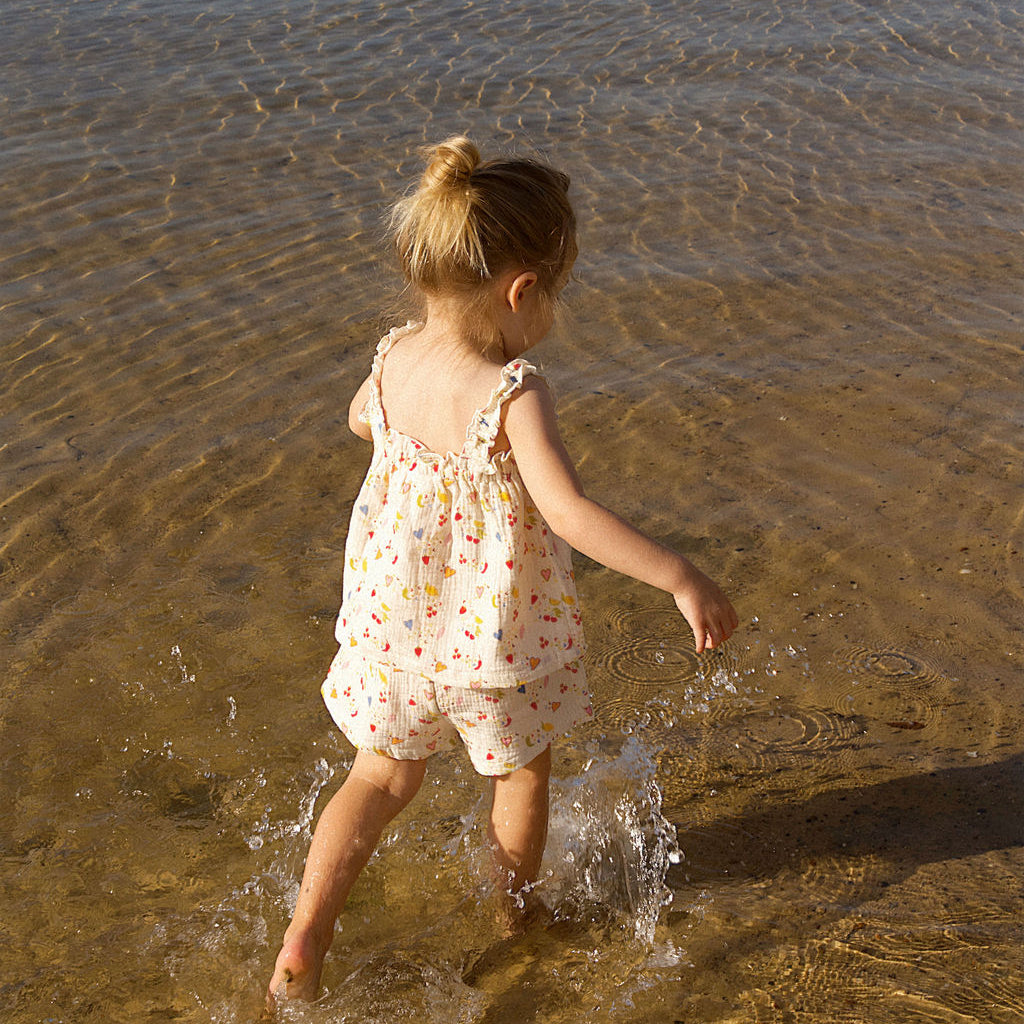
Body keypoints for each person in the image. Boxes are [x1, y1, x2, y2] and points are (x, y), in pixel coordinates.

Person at [267, 136, 738, 1002]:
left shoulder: (393, 355)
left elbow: (359, 423)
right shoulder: (515, 390)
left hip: (392, 630)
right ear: (522, 291)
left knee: (377, 778)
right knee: (520, 777)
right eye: (552, 297)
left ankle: (307, 933)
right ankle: (516, 919)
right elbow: (567, 512)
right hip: (494, 646)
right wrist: (679, 576)